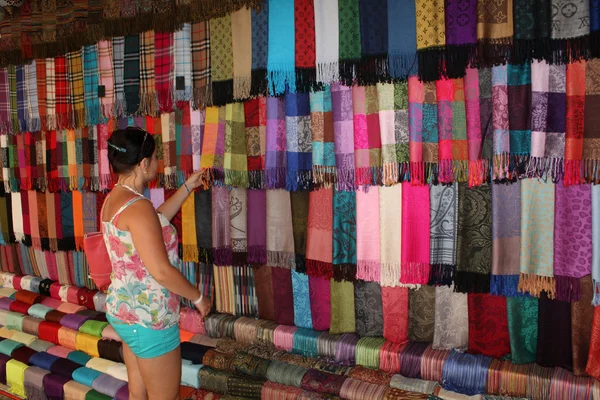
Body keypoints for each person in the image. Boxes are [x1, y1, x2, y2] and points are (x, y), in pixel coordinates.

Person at [101, 126, 211, 400]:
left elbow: (155, 223)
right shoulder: (138, 208)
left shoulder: (117, 199)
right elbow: (161, 271)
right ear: (143, 164)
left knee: (138, 394)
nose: (158, 163)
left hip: (126, 311)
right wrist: (198, 297)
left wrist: (188, 187)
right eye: (154, 157)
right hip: (149, 319)